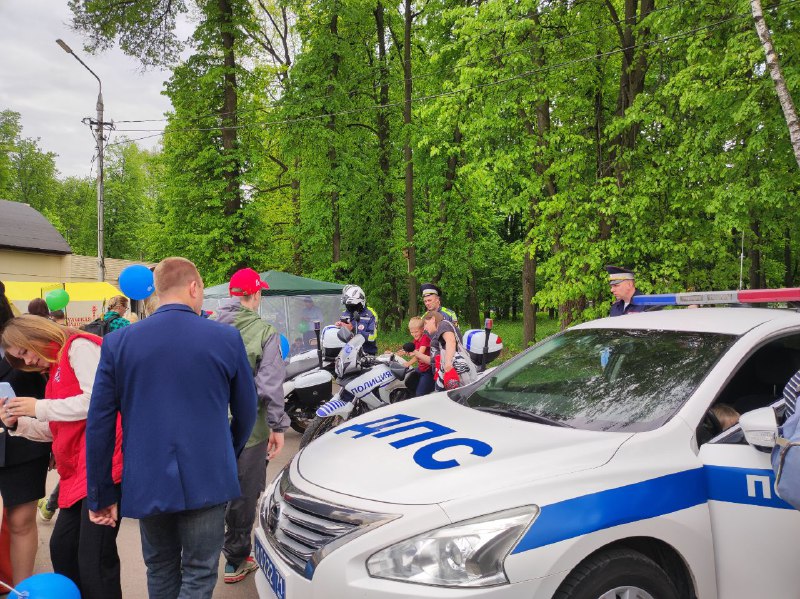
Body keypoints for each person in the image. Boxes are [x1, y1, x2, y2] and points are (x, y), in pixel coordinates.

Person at [85, 257, 257, 599]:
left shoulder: (119, 343)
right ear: (193, 287)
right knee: (199, 571)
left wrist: (101, 492)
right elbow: (247, 410)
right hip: (208, 473)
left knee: (160, 567)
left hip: (147, 476)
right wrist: (226, 452)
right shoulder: (225, 338)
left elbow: (100, 423)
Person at [0, 315, 123, 599]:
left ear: (36, 334)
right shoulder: (57, 365)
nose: (28, 361)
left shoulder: (78, 347)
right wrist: (18, 422)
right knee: (63, 549)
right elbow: (57, 428)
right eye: (20, 358)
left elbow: (97, 401)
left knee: (94, 560)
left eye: (25, 352)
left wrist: (38, 407)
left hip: (101, 466)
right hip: (78, 472)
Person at [213, 268, 289, 584]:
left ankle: (203, 551)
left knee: (214, 488)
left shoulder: (208, 326)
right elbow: (270, 385)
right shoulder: (264, 331)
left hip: (211, 426)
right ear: (256, 295)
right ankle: (235, 560)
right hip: (251, 429)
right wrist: (277, 426)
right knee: (245, 491)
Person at [0, 289, 49, 586]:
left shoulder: (22, 337)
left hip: (24, 443)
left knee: (20, 522)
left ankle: (22, 590)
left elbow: (48, 390)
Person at [335, 285, 378, 355]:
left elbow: (372, 337)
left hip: (366, 354)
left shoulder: (371, 314)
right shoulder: (345, 314)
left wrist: (353, 330)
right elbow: (342, 336)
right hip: (348, 353)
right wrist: (338, 327)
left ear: (361, 302)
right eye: (348, 306)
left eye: (353, 306)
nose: (350, 308)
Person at [401, 317, 434, 397]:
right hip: (421, 368)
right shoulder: (416, 340)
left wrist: (408, 363)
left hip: (428, 370)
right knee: (408, 381)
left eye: (416, 332)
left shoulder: (425, 338)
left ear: (422, 329)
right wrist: (393, 354)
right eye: (412, 332)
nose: (414, 334)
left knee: (420, 394)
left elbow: (419, 354)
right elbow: (406, 350)